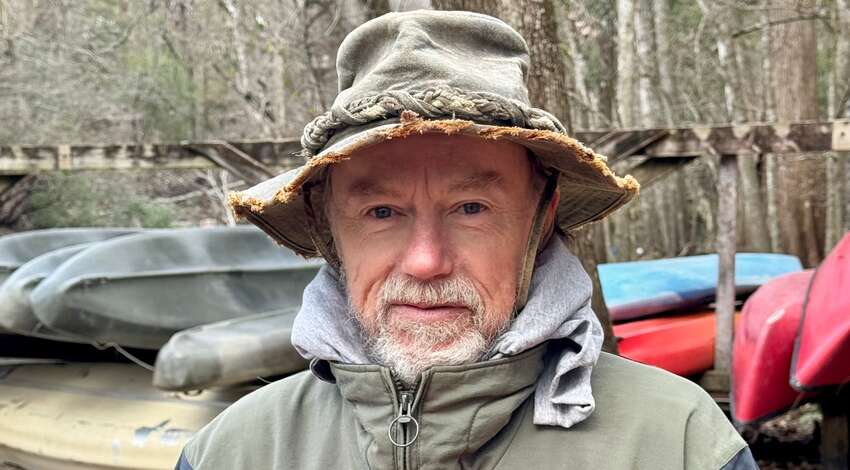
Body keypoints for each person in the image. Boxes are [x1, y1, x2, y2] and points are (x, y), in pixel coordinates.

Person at [176, 10, 757, 469]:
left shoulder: (679, 445)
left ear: (541, 216)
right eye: (382, 211)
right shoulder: (228, 453)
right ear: (329, 229)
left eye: (471, 208)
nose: (426, 261)